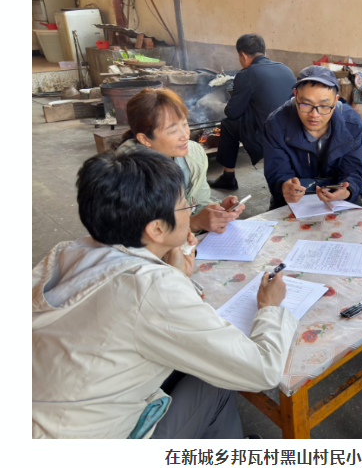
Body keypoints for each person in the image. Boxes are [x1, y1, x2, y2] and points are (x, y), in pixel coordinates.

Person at [32, 149, 298, 439]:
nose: (191, 212)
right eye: (186, 206)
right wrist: (269, 308)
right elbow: (262, 371)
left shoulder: (69, 251)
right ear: (157, 228)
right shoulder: (150, 288)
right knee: (218, 380)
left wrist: (175, 276)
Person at [116, 88, 243, 234]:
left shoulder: (194, 154)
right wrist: (194, 223)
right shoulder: (128, 171)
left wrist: (218, 209)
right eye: (172, 130)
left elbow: (199, 203)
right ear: (145, 139)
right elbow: (138, 233)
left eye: (184, 124)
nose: (185, 136)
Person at [263, 66, 362, 210]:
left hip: (337, 196)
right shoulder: (277, 123)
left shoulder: (351, 123)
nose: (314, 115)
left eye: (324, 105)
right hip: (295, 197)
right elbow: (277, 170)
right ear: (296, 96)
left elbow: (353, 169)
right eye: (306, 104)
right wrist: (283, 185)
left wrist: (348, 190)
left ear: (335, 100)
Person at [208, 33, 296, 190]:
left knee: (228, 124)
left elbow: (232, 113)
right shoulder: (286, 69)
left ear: (243, 55)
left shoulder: (246, 74)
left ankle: (228, 177)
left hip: (266, 137)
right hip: (291, 134)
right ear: (264, 52)